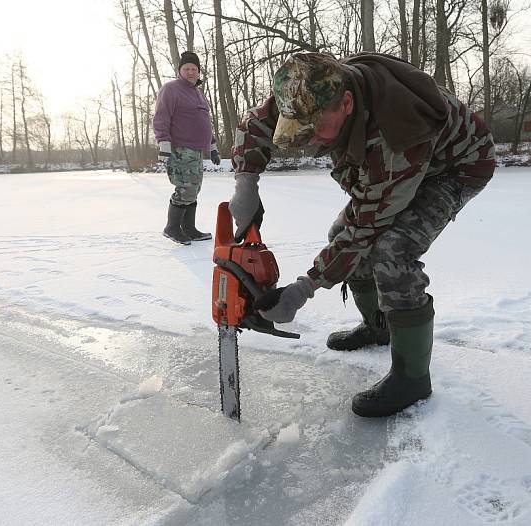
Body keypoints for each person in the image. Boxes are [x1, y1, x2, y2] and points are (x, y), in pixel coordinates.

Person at [229, 52, 495, 417]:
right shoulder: (311, 89)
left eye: (315, 129)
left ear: (348, 104)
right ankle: (378, 326)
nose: (309, 141)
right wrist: (247, 181)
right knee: (342, 233)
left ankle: (412, 378)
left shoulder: (395, 134)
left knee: (391, 251)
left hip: (455, 167)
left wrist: (304, 288)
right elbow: (259, 121)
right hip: (402, 167)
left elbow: (366, 227)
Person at [153, 51, 221, 245]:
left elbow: (204, 123)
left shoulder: (197, 93)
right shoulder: (171, 89)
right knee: (186, 187)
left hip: (197, 150)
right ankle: (172, 228)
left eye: (194, 69)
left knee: (194, 188)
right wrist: (164, 144)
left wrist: (213, 147)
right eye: (187, 69)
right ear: (180, 71)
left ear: (198, 72)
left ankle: (189, 228)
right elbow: (161, 117)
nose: (191, 72)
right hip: (181, 149)